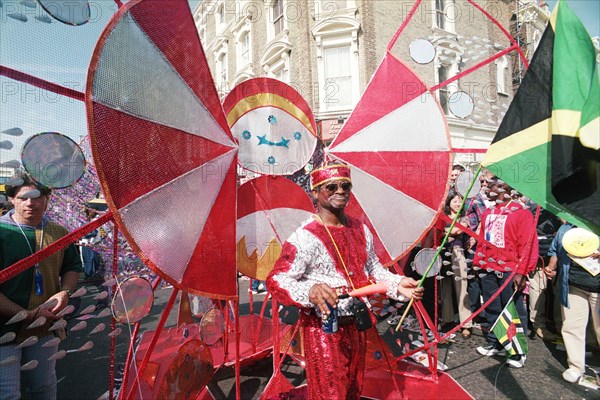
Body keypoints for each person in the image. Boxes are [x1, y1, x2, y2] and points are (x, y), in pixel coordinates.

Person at [266, 161, 423, 399]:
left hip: (357, 325)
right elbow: (276, 280)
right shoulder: (304, 237)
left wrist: (397, 284)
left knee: (353, 388)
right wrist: (311, 290)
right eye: (331, 187)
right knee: (330, 393)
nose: (340, 191)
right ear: (315, 192)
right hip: (324, 329)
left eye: (345, 186)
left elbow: (373, 270)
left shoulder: (360, 229)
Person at [0, 173, 82, 400]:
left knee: (43, 387)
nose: (30, 203)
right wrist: (25, 314)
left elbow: (72, 267)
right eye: (23, 197)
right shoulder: (2, 232)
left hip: (46, 324)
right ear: (12, 199)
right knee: (8, 394)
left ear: (47, 199)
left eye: (37, 197)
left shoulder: (58, 233)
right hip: (4, 327)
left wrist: (64, 293)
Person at [474, 178, 538, 368]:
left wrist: (522, 272)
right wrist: (479, 263)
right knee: (492, 308)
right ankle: (496, 342)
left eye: (491, 187)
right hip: (489, 269)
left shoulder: (522, 214)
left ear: (504, 189)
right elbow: (482, 240)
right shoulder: (488, 212)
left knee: (514, 310)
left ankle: (517, 350)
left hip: (510, 271)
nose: (487, 189)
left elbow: (528, 244)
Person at [546, 223, 600, 386]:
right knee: (571, 326)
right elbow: (555, 249)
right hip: (572, 284)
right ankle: (576, 367)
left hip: (597, 288)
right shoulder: (565, 229)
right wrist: (551, 266)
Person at [442, 190, 473, 338]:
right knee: (445, 288)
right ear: (448, 203)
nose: (458, 204)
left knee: (462, 288)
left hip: (457, 252)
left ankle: (466, 323)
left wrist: (445, 233)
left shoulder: (464, 218)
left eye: (460, 201)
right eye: (454, 201)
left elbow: (456, 231)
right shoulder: (442, 217)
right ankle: (447, 320)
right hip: (442, 253)